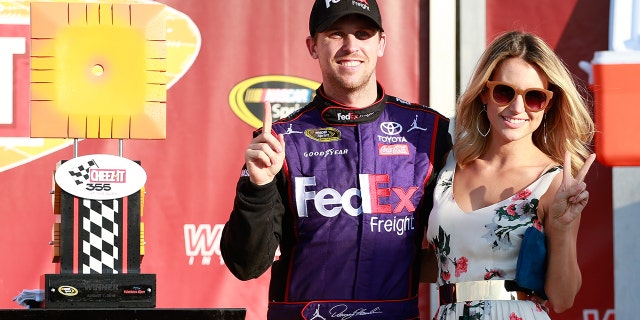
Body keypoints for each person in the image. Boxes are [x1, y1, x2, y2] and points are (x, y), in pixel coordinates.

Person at [220, 0, 452, 319]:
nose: (350, 45)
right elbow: (245, 265)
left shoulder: (430, 131)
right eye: (335, 34)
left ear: (381, 43)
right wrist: (257, 188)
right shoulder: (279, 140)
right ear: (313, 46)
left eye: (362, 33)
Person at [424, 31, 596, 319]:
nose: (517, 108)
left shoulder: (553, 183)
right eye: (504, 92)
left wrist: (563, 227)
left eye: (534, 98)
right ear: (483, 92)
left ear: (548, 104)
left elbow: (563, 299)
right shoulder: (448, 165)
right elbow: (444, 259)